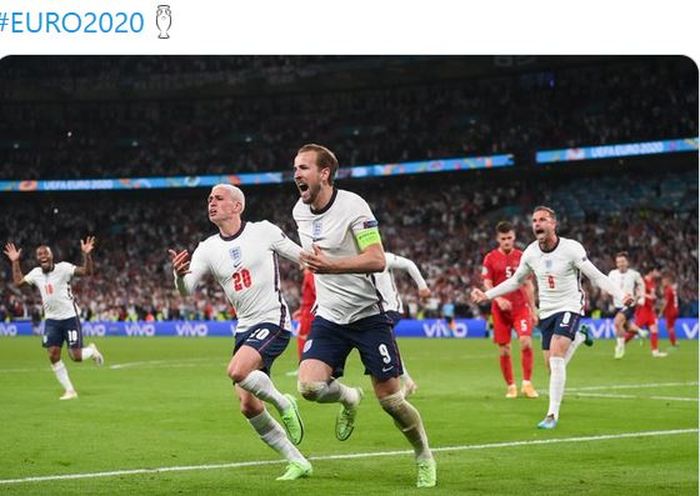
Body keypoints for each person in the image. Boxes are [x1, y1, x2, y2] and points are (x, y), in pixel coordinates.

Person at [292, 144, 436, 488]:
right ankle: (348, 397)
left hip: (369, 314)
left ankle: (424, 456)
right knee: (309, 387)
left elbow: (377, 258)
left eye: (303, 168)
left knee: (391, 401)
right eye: (295, 168)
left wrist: (331, 266)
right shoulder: (299, 210)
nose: (296, 174)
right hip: (329, 315)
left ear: (324, 173)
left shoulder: (354, 207)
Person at [168, 184, 312, 481]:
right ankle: (298, 462)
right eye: (209, 199)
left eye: (218, 198)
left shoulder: (263, 231)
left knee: (236, 370)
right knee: (248, 405)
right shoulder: (207, 248)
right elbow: (186, 290)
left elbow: (302, 257)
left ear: (237, 206)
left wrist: (324, 261)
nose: (211, 203)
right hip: (245, 327)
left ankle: (285, 402)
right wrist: (178, 276)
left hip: (273, 320)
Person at [471, 206, 633, 429]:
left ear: (553, 224)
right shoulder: (530, 253)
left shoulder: (571, 249)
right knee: (552, 366)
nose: (537, 224)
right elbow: (516, 281)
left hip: (570, 306)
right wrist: (487, 295)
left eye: (543, 220)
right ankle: (578, 338)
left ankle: (552, 415)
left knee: (557, 355)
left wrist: (620, 294)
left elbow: (595, 276)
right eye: (535, 220)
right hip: (547, 311)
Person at [3, 238, 103, 400]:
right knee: (53, 355)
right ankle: (70, 391)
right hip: (51, 320)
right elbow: (19, 282)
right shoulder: (36, 273)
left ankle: (91, 350)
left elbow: (87, 272)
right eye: (39, 254)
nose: (42, 256)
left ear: (51, 256)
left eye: (45, 253)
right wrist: (15, 262)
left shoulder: (63, 268)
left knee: (75, 356)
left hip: (70, 317)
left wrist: (87, 255)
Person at [481, 221, 538, 399]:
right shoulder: (490, 258)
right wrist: (498, 299)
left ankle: (527, 384)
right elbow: (487, 282)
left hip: (520, 307)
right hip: (500, 310)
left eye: (509, 238)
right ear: (498, 239)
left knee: (526, 342)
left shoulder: (522, 256)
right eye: (503, 238)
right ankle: (511, 386)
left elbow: (529, 284)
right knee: (504, 349)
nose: (507, 241)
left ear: (514, 238)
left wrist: (533, 309)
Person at [374, 251, 432, 397]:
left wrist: (422, 286)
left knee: (384, 344)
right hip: (374, 312)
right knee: (384, 345)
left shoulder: (383, 257)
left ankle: (403, 382)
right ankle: (407, 382)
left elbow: (408, 264)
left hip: (390, 309)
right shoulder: (353, 262)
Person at [607, 251, 647, 359]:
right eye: (618, 262)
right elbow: (608, 287)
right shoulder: (612, 274)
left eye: (623, 261)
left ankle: (620, 347)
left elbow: (641, 285)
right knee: (627, 327)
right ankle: (640, 332)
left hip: (630, 304)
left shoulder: (634, 274)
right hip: (617, 304)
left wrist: (641, 297)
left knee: (617, 322)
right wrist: (609, 300)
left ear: (627, 262)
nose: (621, 264)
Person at [635, 267, 667, 357]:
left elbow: (652, 295)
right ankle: (621, 343)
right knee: (634, 330)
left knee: (654, 329)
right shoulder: (643, 281)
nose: (658, 273)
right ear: (652, 271)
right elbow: (638, 292)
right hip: (643, 309)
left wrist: (654, 298)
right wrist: (649, 296)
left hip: (649, 309)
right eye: (657, 271)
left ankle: (655, 352)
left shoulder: (652, 282)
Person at [660, 272, 679, 348]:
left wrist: (661, 312)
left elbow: (666, 302)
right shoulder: (672, 289)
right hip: (675, 309)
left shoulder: (668, 290)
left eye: (664, 281)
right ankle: (675, 341)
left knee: (669, 327)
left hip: (670, 311)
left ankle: (674, 344)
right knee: (671, 327)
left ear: (668, 281)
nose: (662, 283)